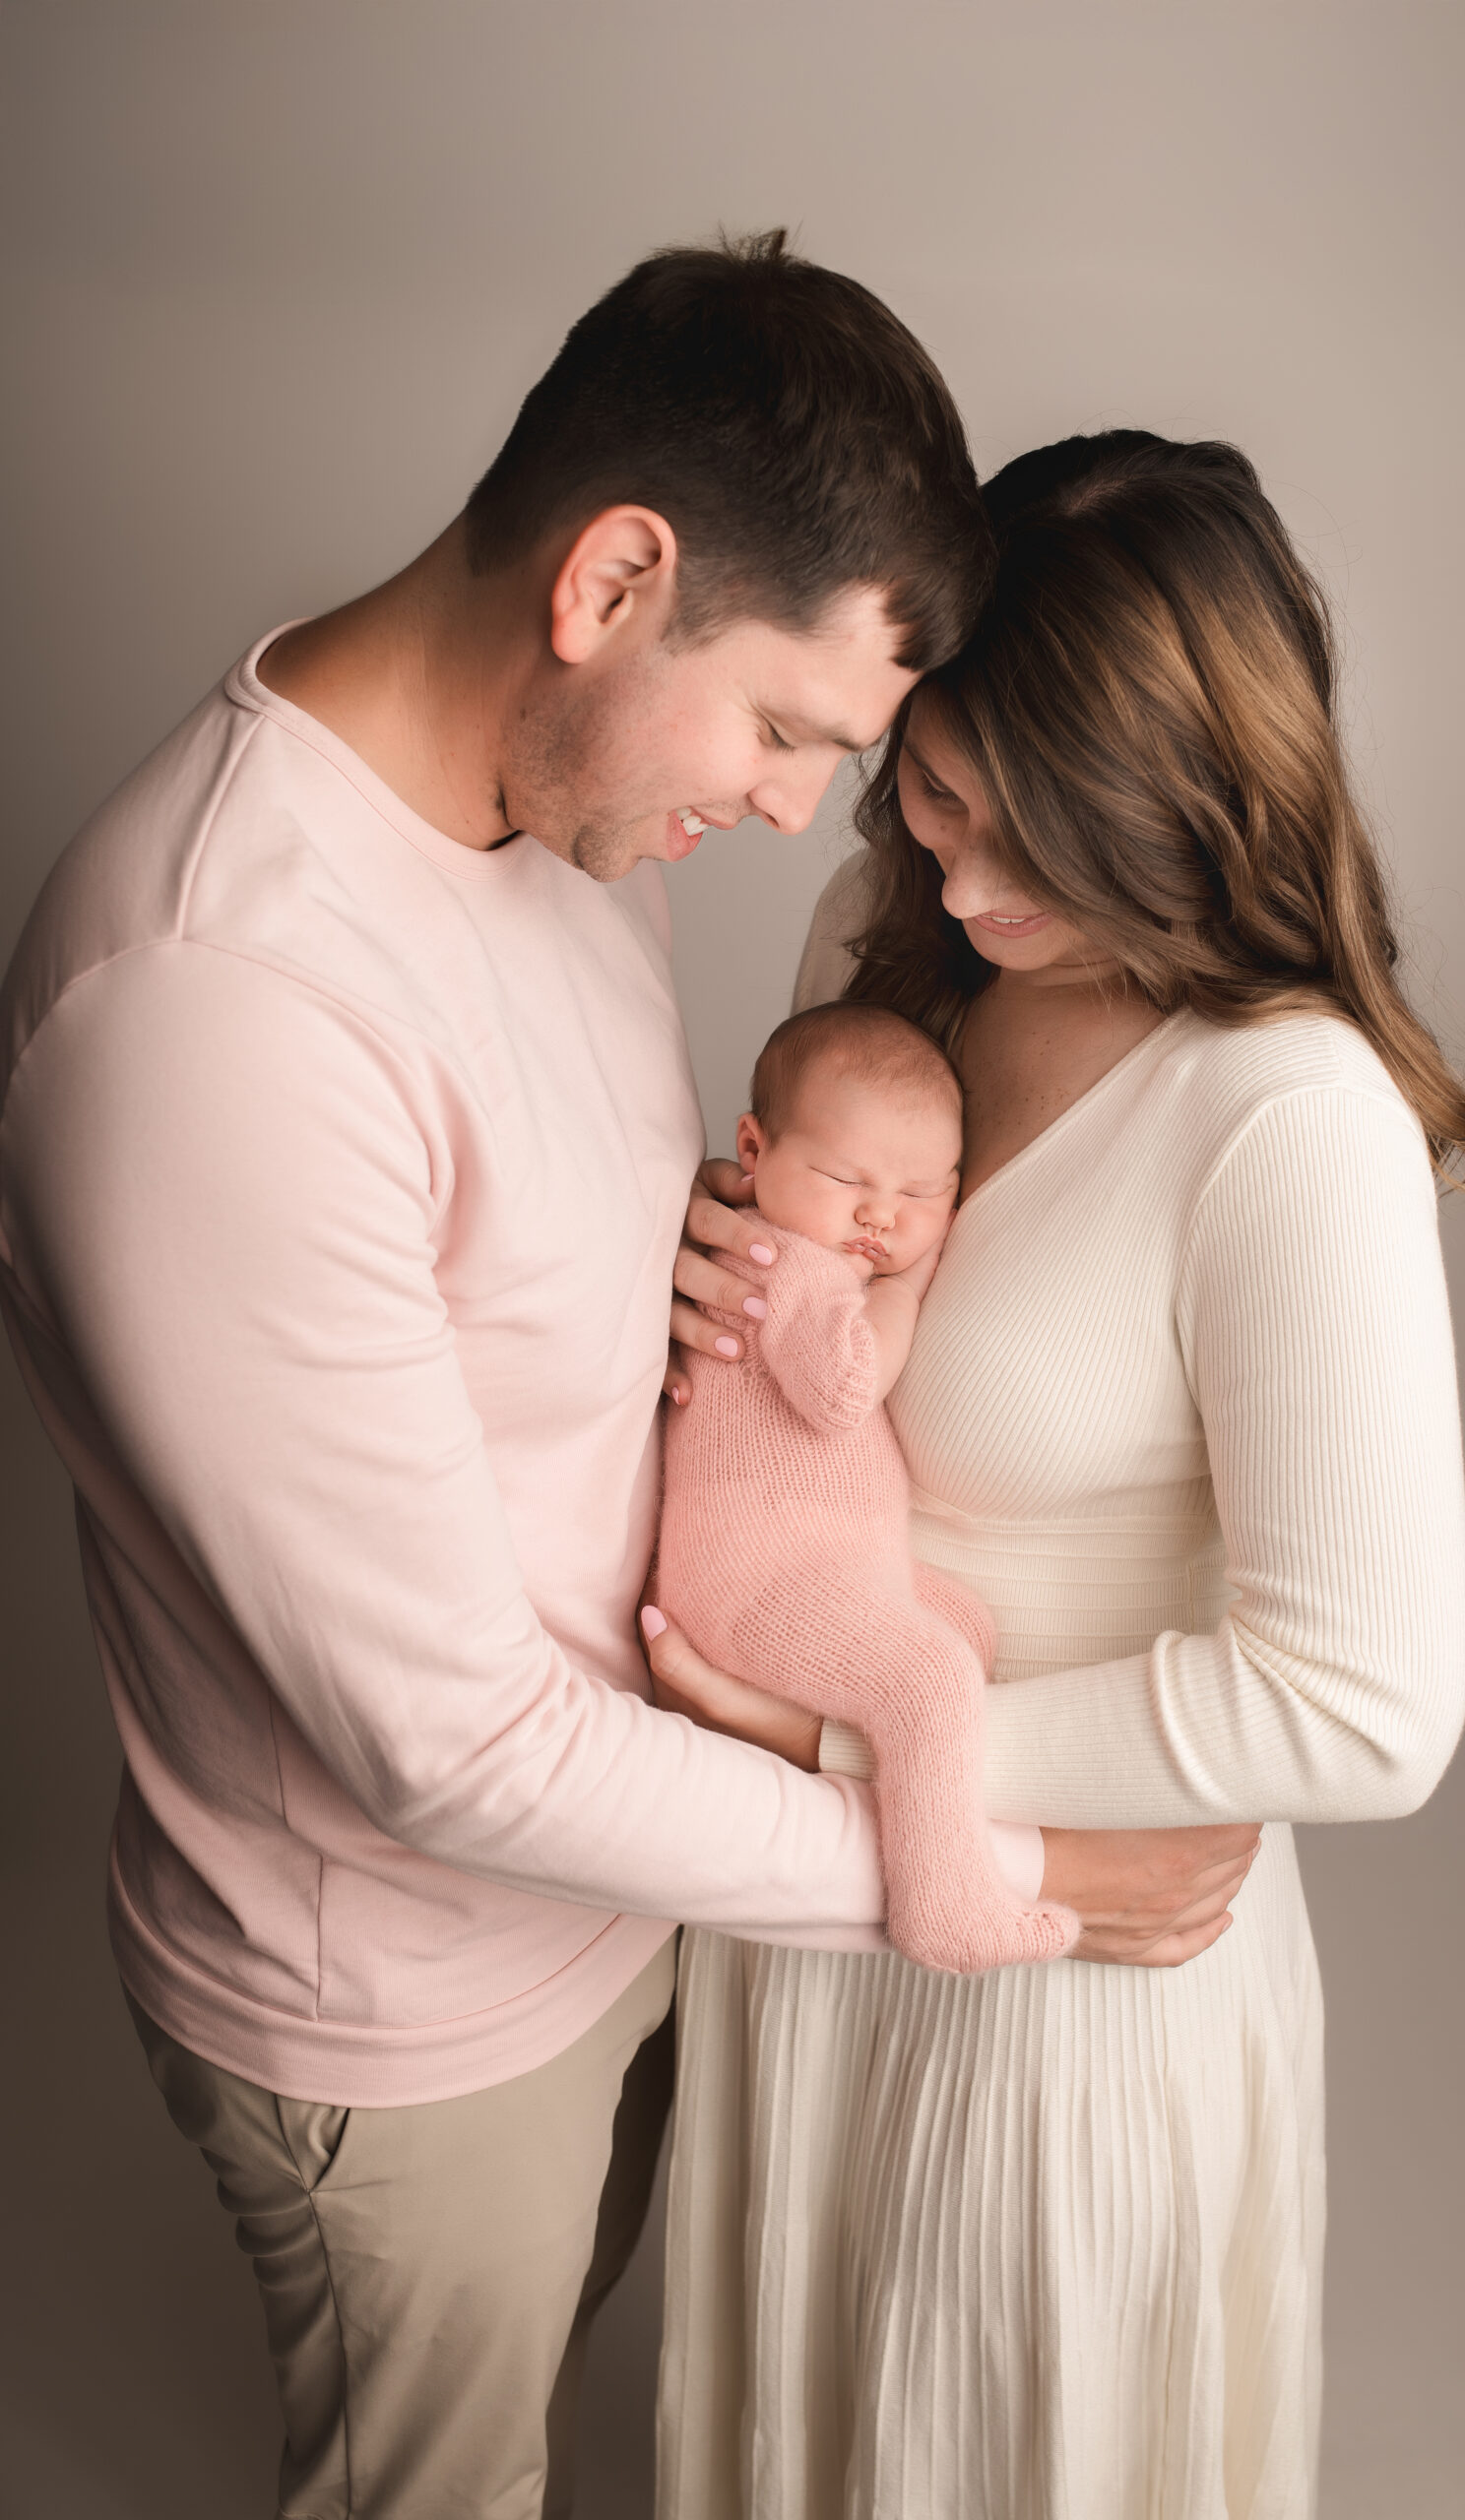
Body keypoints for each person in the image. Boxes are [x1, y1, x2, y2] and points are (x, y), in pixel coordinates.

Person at [0, 237, 1217, 2520]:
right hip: (413, 2009)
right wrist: (987, 1861)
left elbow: (518, 1250)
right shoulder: (212, 1003)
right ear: (615, 578)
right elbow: (442, 1743)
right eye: (781, 731)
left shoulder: (571, 820)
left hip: (641, 1885)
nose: (785, 814)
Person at [647, 429, 1465, 2518]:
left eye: (1039, 849)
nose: (958, 882)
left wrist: (831, 1747)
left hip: (1061, 1967)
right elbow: (834, 1375)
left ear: (1192, 825)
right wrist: (704, 1269)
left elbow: (1359, 1704)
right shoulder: (896, 944)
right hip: (813, 1924)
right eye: (935, 795)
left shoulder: (1283, 1116)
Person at [653, 1001, 1078, 1975]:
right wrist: (903, 1286)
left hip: (820, 1560)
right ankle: (947, 1906)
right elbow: (844, 1386)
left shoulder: (790, 1249)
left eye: (922, 1192)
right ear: (751, 1152)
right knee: (927, 1676)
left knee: (961, 1630)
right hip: (756, 1577)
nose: (880, 1216)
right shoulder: (787, 1262)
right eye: (847, 1179)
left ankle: (921, 1821)